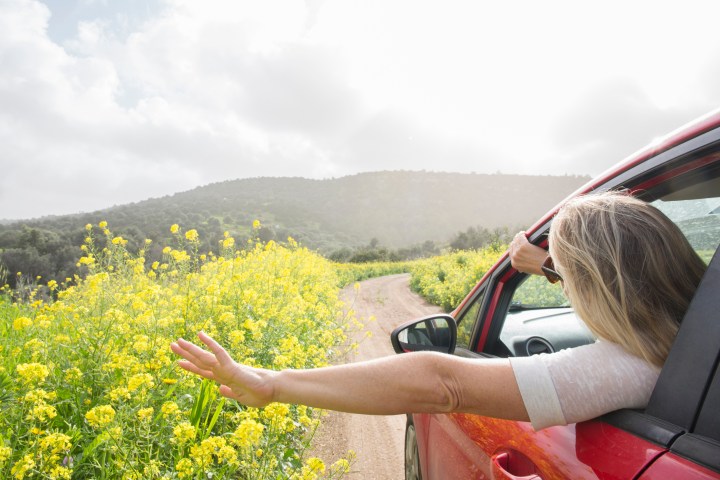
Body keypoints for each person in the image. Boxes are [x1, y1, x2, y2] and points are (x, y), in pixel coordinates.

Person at [171, 191, 706, 430]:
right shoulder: (698, 338)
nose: (564, 292)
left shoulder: (623, 367)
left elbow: (440, 383)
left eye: (565, 280)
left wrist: (270, 383)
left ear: (592, 284)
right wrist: (546, 262)